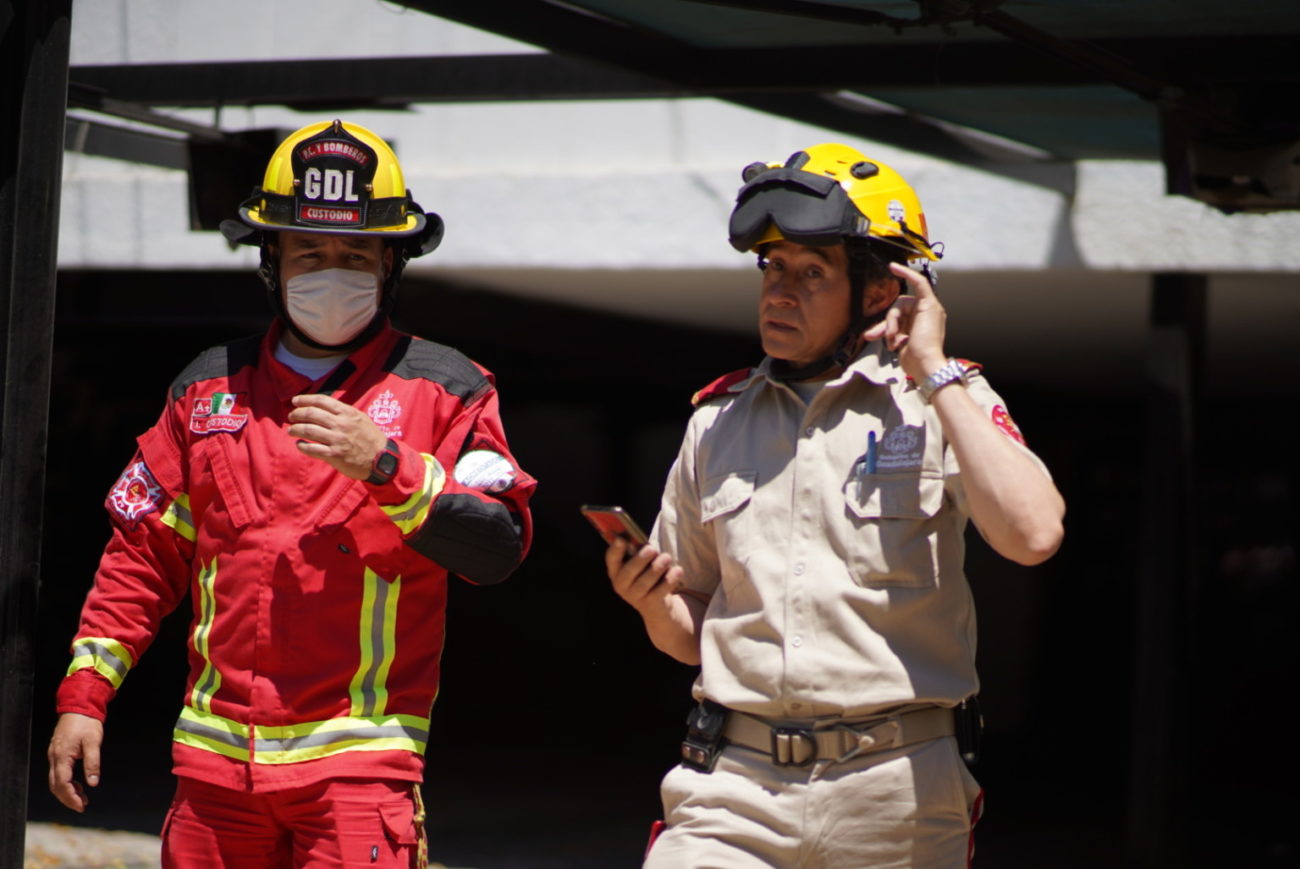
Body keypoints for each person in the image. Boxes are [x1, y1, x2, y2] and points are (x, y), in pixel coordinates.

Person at [47, 119, 536, 867]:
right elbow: (141, 558)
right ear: (270, 258)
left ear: (391, 263)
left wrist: (387, 467)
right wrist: (85, 696)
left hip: (356, 778)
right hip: (213, 780)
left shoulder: (449, 389)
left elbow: (497, 548)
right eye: (309, 251)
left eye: (355, 254)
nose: (331, 270)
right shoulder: (205, 388)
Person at [606, 143, 1064, 868]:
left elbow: (1034, 534)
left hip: (897, 795)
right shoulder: (715, 422)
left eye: (810, 273)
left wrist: (936, 371)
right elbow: (691, 634)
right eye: (772, 267)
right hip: (732, 787)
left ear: (881, 291)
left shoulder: (943, 400)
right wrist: (649, 603)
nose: (778, 292)